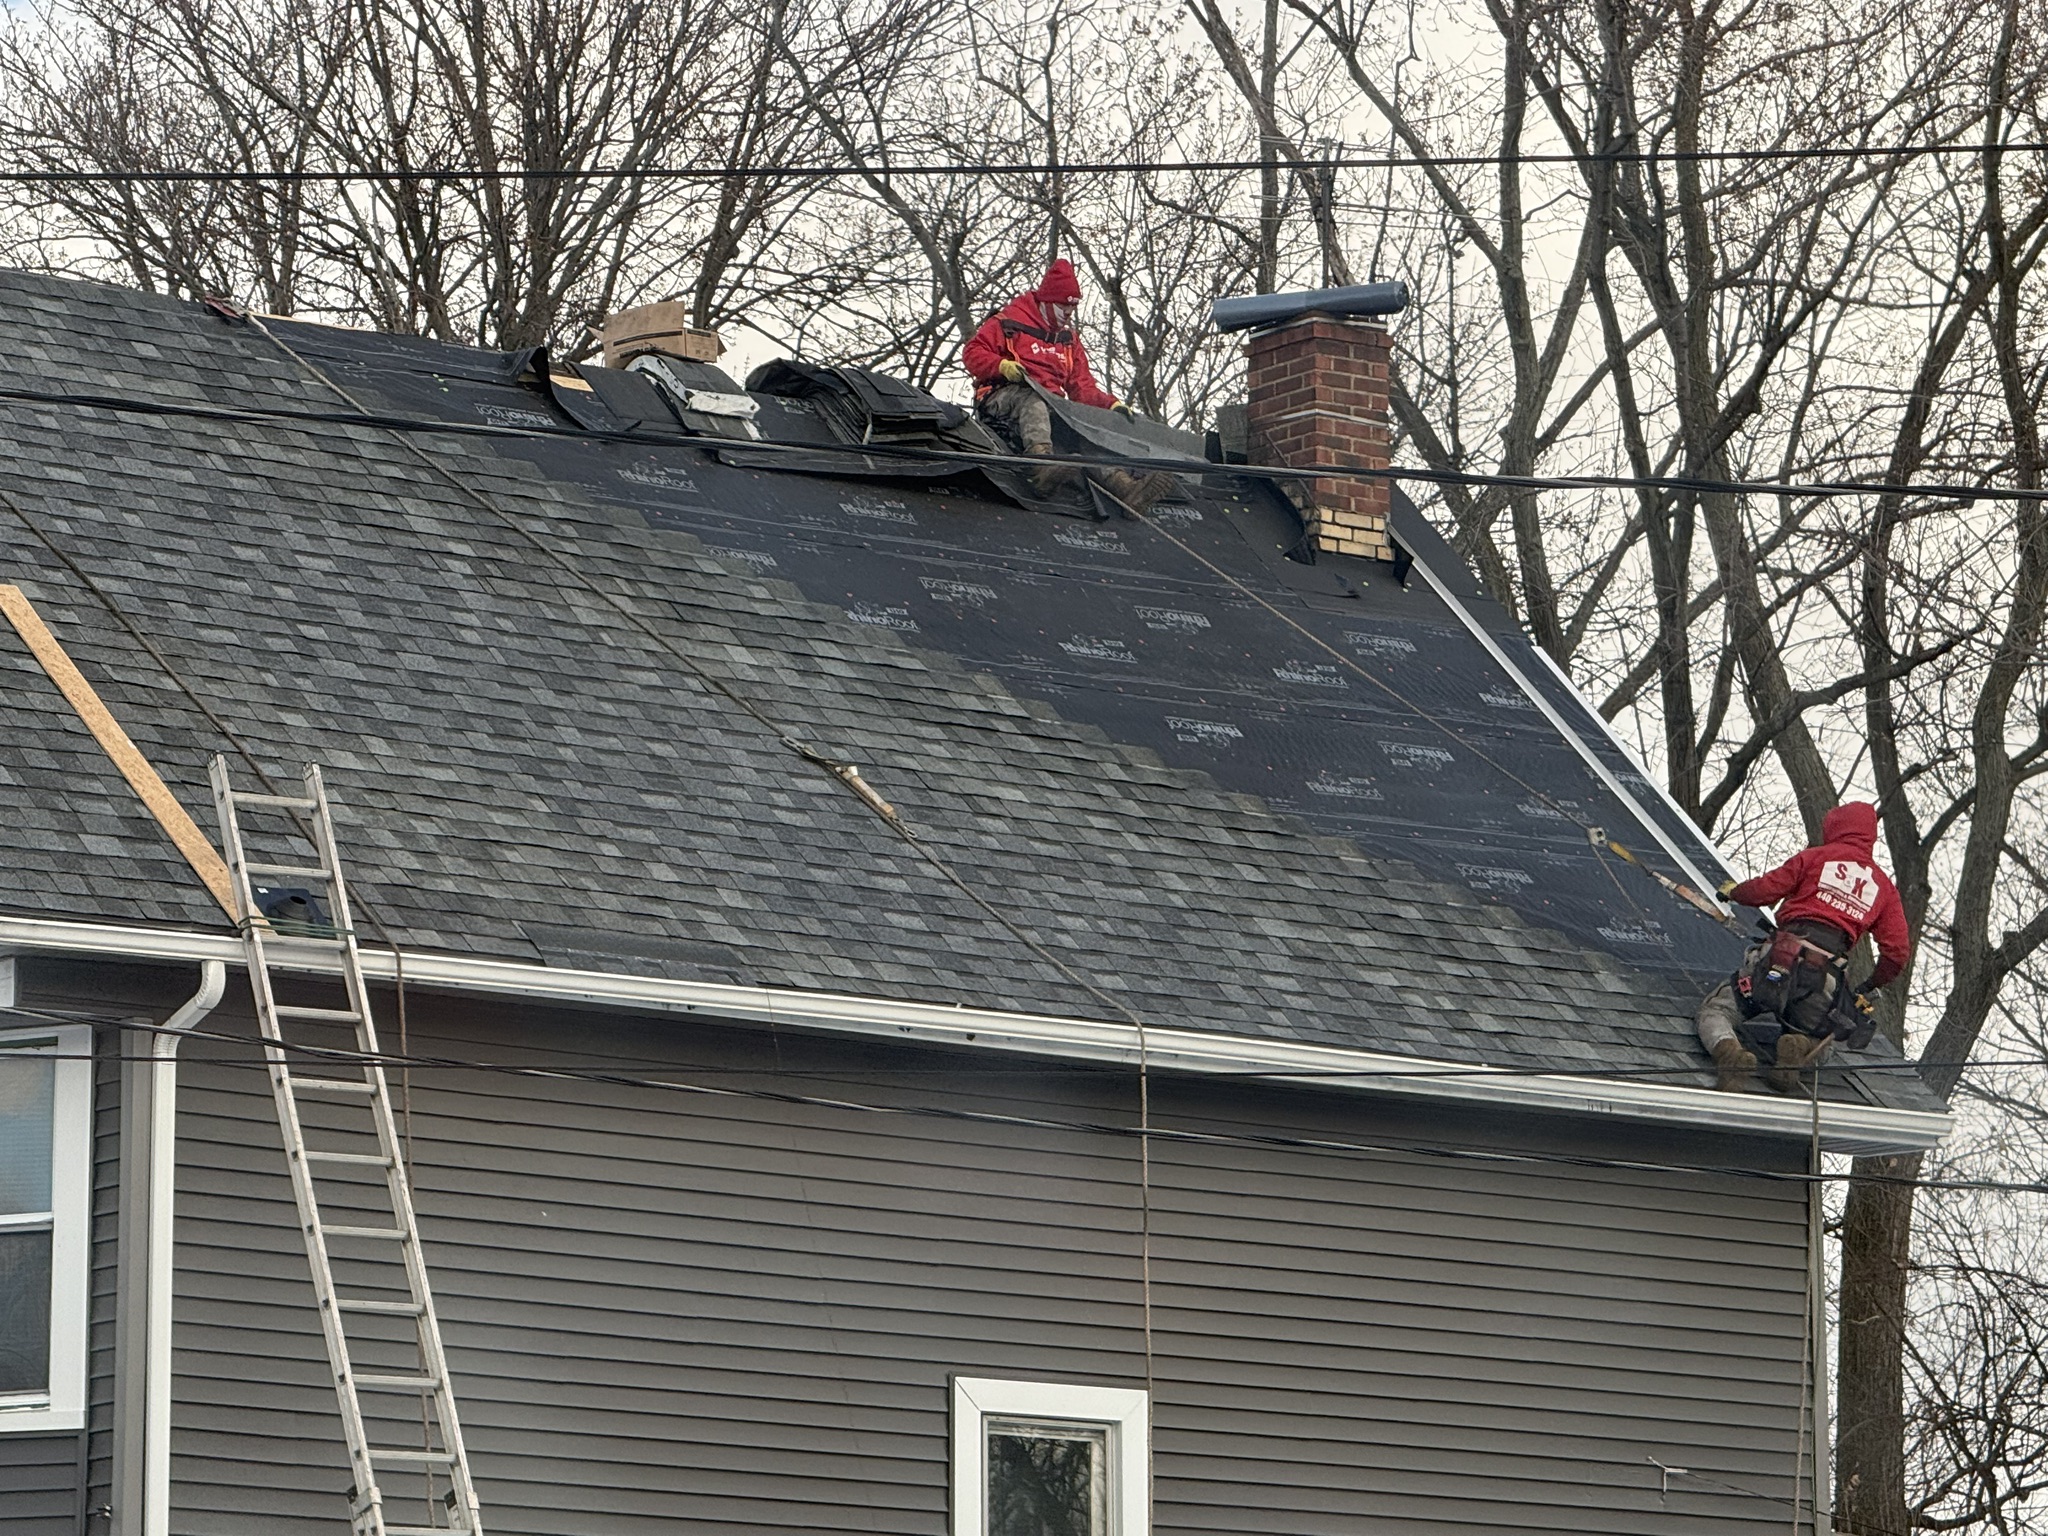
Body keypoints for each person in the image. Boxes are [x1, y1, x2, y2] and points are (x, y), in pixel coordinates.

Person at [1697, 802, 1912, 1093]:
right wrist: (1870, 985)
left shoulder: (1815, 858)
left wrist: (1735, 892)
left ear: (1835, 828)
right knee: (1823, 1043)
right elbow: (1897, 952)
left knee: (1717, 1011)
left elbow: (1766, 889)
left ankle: (1730, 1055)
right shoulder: (1884, 887)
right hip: (1823, 979)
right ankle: (1798, 1048)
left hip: (1777, 961)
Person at [964, 258, 1173, 510]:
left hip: (1052, 406)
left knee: (1085, 428)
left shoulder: (1068, 340)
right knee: (1034, 401)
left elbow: (1082, 387)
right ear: (1046, 301)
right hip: (1002, 398)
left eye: (1072, 309)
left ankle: (1125, 489)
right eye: (1063, 307)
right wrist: (1001, 366)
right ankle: (1041, 468)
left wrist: (1109, 405)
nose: (1068, 314)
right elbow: (972, 352)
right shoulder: (1007, 323)